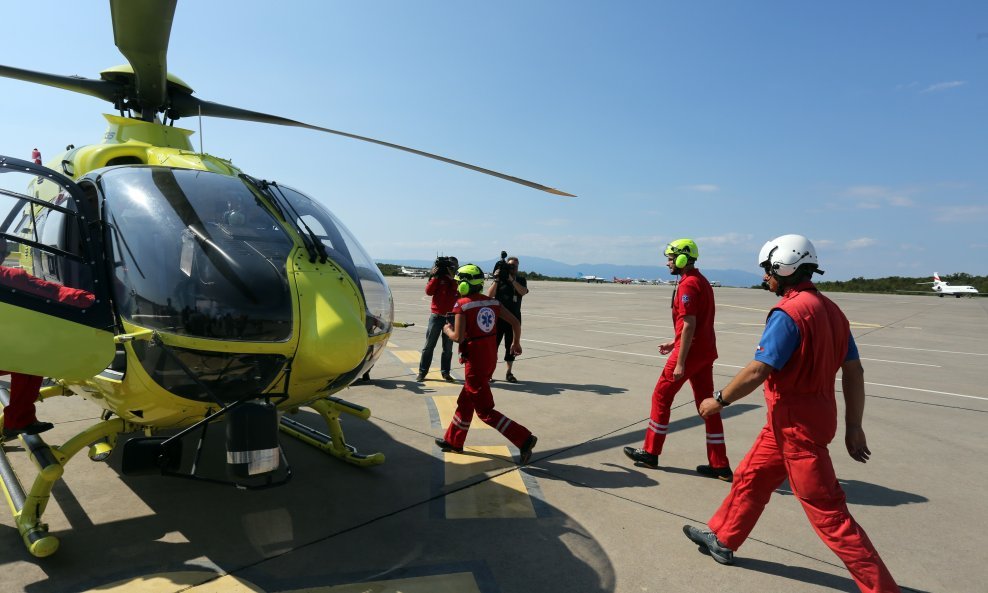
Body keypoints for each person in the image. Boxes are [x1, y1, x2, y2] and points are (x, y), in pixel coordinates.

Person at [683, 234, 900, 593]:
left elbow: (758, 370)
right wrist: (853, 425)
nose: (766, 277)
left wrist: (717, 400)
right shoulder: (832, 311)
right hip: (798, 422)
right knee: (752, 477)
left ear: (785, 268)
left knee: (831, 516)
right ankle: (723, 537)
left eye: (768, 270)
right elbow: (855, 371)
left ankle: (882, 588)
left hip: (797, 428)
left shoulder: (789, 313)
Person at [623, 239, 731, 480]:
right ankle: (720, 465)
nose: (667, 262)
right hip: (704, 353)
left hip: (690, 354)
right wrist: (674, 341)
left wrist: (680, 360)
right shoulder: (700, 280)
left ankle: (651, 453)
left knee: (661, 397)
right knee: (707, 407)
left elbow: (691, 323)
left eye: (671, 258)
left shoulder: (688, 284)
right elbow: (695, 323)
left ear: (683, 258)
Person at [435, 264, 537, 465]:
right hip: (489, 359)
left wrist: (446, 328)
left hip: (474, 362)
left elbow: (457, 337)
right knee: (465, 402)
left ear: (463, 284)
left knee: (485, 411)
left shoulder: (462, 305)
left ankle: (524, 439)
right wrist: (516, 343)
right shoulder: (492, 303)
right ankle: (454, 441)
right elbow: (515, 322)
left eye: (458, 282)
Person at [0, 239, 95, 439]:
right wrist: (95, 302)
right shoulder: (10, 277)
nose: (6, 254)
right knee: (32, 361)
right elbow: (55, 292)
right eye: (4, 249)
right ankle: (18, 421)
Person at [416, 256, 458, 382]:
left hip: (450, 317)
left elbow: (459, 292)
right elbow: (428, 292)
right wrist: (434, 277)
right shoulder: (438, 278)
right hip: (436, 316)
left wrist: (453, 278)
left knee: (448, 348)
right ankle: (422, 372)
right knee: (429, 346)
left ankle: (445, 373)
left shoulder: (457, 280)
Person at [487, 255, 528, 383]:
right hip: (498, 319)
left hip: (514, 320)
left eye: (515, 266)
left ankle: (509, 372)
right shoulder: (500, 280)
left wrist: (512, 280)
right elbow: (489, 295)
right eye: (510, 266)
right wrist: (497, 279)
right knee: (493, 347)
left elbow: (522, 292)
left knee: (511, 347)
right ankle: (489, 373)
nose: (513, 268)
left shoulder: (521, 280)